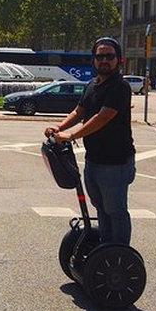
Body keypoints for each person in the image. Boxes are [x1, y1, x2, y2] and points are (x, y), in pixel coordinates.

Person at [45, 37, 136, 244]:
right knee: (101, 208)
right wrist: (59, 127)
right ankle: (106, 249)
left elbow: (103, 117)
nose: (104, 60)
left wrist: (72, 136)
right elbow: (79, 111)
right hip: (94, 159)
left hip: (116, 162)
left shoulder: (119, 86)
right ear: (94, 60)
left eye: (109, 56)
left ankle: (118, 256)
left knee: (115, 210)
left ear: (118, 59)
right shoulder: (91, 85)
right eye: (100, 56)